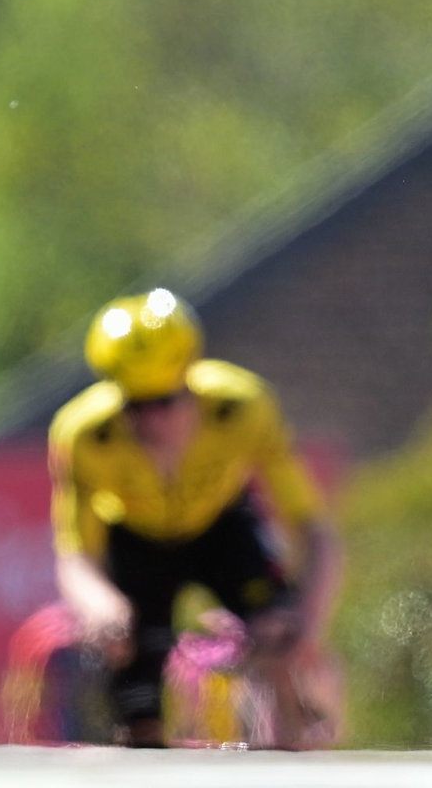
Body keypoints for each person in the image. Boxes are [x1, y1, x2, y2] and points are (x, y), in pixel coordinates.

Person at [47, 288, 342, 749]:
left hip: (222, 530)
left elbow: (314, 530)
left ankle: (296, 747)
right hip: (136, 541)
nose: (151, 423)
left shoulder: (242, 407)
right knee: (131, 691)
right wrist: (100, 606)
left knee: (280, 636)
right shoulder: (84, 434)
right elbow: (76, 554)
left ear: (192, 380)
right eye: (135, 406)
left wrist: (310, 623)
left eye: (165, 402)